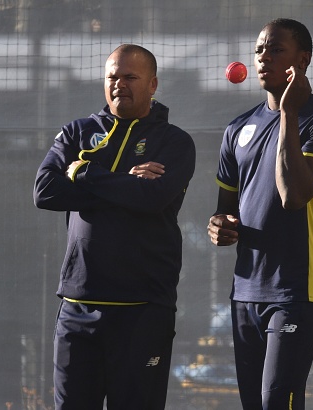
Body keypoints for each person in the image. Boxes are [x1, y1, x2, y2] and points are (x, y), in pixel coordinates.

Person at [34, 44, 196, 410]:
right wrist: (126, 184)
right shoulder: (78, 131)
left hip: (142, 307)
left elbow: (152, 198)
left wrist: (83, 173)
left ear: (153, 84)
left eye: (130, 77)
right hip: (77, 304)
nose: (119, 83)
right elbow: (44, 191)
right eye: (112, 77)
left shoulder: (174, 142)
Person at [207, 19, 313, 409]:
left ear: (302, 60)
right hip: (246, 290)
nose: (263, 57)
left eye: (275, 49)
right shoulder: (238, 129)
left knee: (276, 401)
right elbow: (224, 212)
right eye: (258, 51)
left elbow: (294, 195)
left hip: (297, 289)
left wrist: (288, 113)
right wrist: (219, 227)